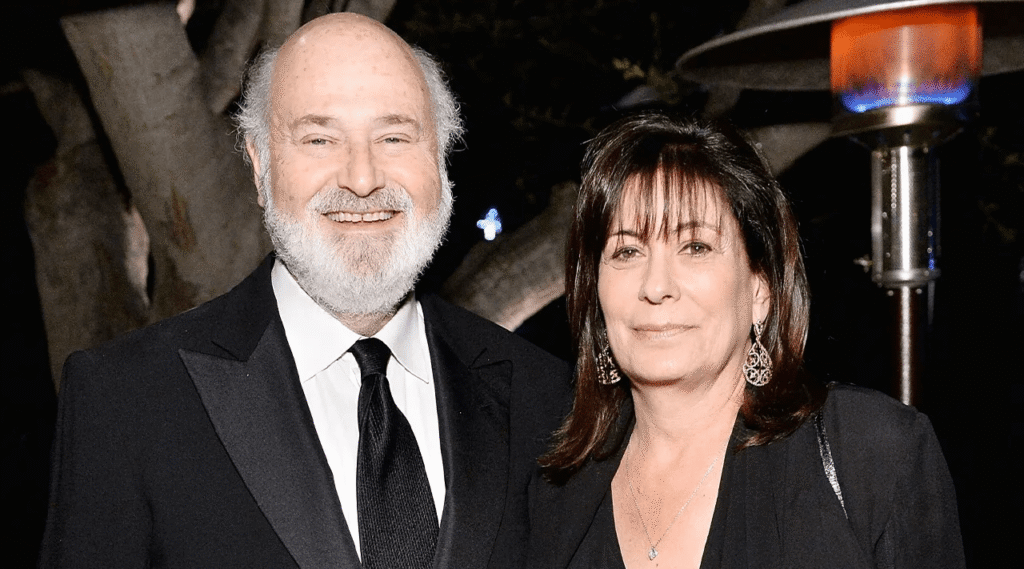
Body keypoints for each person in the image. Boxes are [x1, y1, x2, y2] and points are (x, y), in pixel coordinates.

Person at [38, 13, 569, 569]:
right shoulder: (129, 401)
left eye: (393, 136)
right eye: (319, 139)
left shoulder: (548, 399)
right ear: (260, 165)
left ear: (440, 157)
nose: (362, 178)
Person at [526, 113, 964, 568]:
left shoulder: (871, 452)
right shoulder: (548, 493)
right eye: (627, 251)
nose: (656, 286)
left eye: (695, 247)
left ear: (760, 289)